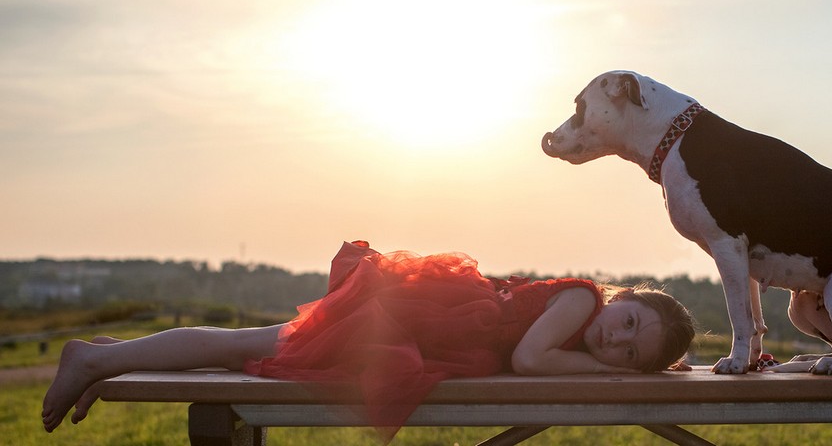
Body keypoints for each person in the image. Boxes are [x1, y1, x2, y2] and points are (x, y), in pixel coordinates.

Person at [42, 240, 696, 438]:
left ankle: (113, 355)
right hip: (418, 317)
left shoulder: (584, 332)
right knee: (257, 344)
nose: (617, 342)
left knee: (252, 348)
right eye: (630, 321)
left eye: (630, 352)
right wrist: (628, 375)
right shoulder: (583, 298)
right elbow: (528, 359)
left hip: (431, 329)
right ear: (623, 295)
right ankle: (98, 357)